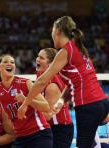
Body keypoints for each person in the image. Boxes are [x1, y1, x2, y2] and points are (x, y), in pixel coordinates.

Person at [18, 16, 109, 148]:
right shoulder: (79, 48)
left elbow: (42, 81)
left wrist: (25, 103)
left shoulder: (65, 51)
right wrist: (61, 101)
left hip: (87, 106)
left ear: (58, 32)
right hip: (101, 103)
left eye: (52, 33)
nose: (52, 37)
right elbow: (74, 81)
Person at [0, 54, 53, 148]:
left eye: (12, 62)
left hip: (39, 133)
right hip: (21, 137)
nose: (9, 63)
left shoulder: (25, 83)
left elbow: (46, 107)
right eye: (5, 61)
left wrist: (26, 101)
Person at [35, 48, 74, 148]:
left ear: (50, 64)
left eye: (41, 58)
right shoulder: (40, 74)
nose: (37, 59)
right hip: (48, 127)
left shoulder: (52, 85)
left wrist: (28, 105)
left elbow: (48, 115)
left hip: (60, 128)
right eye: (38, 56)